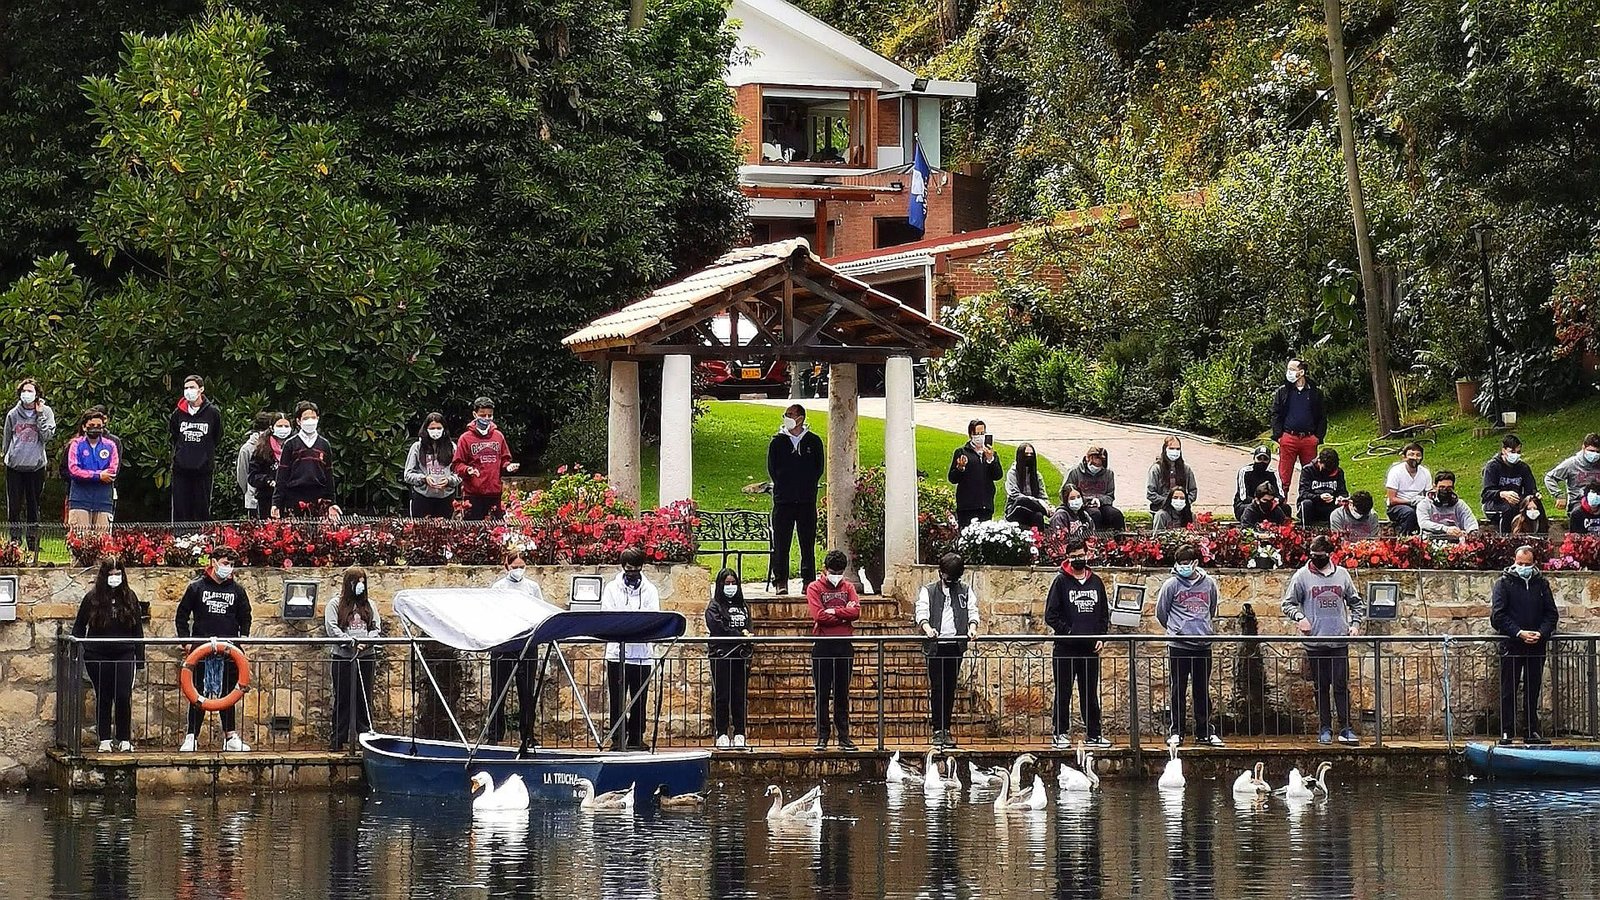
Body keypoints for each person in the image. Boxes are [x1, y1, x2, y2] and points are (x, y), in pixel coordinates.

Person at [1281, 535, 1365, 745]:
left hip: (1338, 640)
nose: (1316, 559)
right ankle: (1324, 728)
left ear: (1329, 555)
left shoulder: (1343, 575)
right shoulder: (1301, 576)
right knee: (1320, 687)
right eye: (1313, 556)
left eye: (1320, 556)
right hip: (1315, 642)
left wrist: (1354, 625)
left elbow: (1356, 603)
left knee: (1340, 685)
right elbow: (1288, 604)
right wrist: (1300, 618)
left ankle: (1345, 728)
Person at [175, 546, 252, 752]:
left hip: (229, 652)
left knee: (229, 692)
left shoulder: (237, 590)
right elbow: (181, 616)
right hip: (201, 651)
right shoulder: (196, 588)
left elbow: (246, 616)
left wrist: (242, 641)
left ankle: (230, 736)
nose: (228, 568)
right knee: (197, 694)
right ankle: (191, 736)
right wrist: (187, 643)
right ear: (214, 562)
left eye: (231, 564)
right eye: (225, 563)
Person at [71, 557, 144, 752]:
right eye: (111, 575)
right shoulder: (92, 599)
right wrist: (76, 650)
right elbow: (79, 626)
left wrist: (140, 657)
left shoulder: (130, 597)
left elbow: (138, 629)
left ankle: (124, 738)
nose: (114, 578)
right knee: (103, 695)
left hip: (124, 652)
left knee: (122, 695)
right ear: (104, 577)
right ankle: (104, 739)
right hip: (97, 654)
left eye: (118, 574)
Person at [1044, 540, 1110, 750]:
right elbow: (1051, 615)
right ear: (1067, 557)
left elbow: (1103, 614)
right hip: (1065, 648)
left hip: (1090, 648)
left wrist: (1101, 636)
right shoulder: (1060, 582)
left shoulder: (1096, 582)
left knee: (1089, 693)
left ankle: (1094, 733)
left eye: (1080, 555)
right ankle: (1060, 732)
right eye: (1073, 556)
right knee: (1063, 692)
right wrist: (1069, 632)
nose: (1077, 559)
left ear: (1087, 554)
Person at [1489, 546, 1559, 745]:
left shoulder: (1541, 584)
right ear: (1514, 561)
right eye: (1520, 564)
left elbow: (1551, 614)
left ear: (1534, 563)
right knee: (1508, 688)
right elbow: (1498, 615)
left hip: (1536, 644)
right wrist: (1518, 633)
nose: (1524, 568)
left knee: (1533, 688)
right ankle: (1507, 731)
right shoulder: (1503, 583)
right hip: (1512, 644)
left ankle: (1531, 729)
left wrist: (1541, 633)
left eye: (1527, 564)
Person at [1155, 544, 1223, 746]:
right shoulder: (1171, 585)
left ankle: (1204, 731)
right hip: (1179, 645)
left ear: (1196, 563)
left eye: (1187, 563)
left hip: (1203, 644)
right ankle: (1177, 731)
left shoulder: (1208, 584)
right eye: (1180, 563)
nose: (1184, 567)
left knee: (1202, 690)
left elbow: (1211, 609)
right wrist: (1176, 630)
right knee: (1178, 689)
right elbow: (1161, 612)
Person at [916, 553, 981, 750]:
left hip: (955, 645)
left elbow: (972, 611)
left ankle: (946, 728)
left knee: (950, 687)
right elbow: (922, 612)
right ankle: (937, 729)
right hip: (936, 646)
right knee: (938, 687)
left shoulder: (965, 590)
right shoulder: (928, 591)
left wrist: (972, 628)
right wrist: (928, 629)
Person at [601, 547, 659, 751]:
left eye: (636, 569)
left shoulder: (650, 590)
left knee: (639, 698)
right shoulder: (611, 589)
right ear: (623, 567)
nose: (632, 573)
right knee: (617, 698)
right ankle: (618, 738)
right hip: (617, 654)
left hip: (642, 655)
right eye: (629, 569)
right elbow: (609, 617)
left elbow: (652, 619)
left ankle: (636, 737)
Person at [487, 550, 543, 747]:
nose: (518, 570)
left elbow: (540, 611)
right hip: (504, 643)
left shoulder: (532, 587)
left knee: (527, 692)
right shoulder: (499, 587)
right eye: (515, 567)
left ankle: (527, 734)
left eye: (522, 567)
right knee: (498, 691)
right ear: (506, 566)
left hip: (527, 643)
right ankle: (494, 733)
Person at [766, 404, 824, 594]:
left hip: (806, 501)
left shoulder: (813, 442)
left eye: (790, 414)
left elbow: (818, 469)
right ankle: (780, 580)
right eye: (786, 414)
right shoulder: (778, 443)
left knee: (807, 543)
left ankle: (808, 581)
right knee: (782, 543)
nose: (787, 417)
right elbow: (773, 469)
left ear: (800, 418)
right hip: (784, 501)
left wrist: (805, 486)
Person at [808, 549, 860, 751]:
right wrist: (843, 614)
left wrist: (835, 611)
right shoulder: (814, 587)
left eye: (839, 571)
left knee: (842, 693)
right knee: (822, 693)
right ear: (825, 569)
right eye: (833, 571)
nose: (836, 576)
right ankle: (823, 735)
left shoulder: (848, 587)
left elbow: (856, 612)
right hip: (823, 644)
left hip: (844, 644)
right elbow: (819, 615)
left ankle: (844, 736)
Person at [326, 566, 381, 750]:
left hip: (366, 657)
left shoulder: (370, 605)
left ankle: (364, 737)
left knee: (364, 697)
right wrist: (350, 642)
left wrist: (365, 642)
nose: (360, 585)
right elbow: (332, 628)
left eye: (363, 581)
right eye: (357, 581)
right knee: (342, 697)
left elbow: (376, 628)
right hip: (343, 657)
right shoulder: (335, 604)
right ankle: (338, 738)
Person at [3, 378, 55, 554]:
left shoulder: (46, 412)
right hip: (15, 466)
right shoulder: (13, 414)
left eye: (30, 391)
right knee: (14, 507)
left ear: (37, 394)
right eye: (24, 391)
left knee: (33, 505)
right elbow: (7, 437)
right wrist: (5, 455)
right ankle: (15, 543)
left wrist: (39, 415)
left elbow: (47, 436)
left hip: (36, 466)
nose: (27, 394)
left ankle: (32, 542)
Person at [706, 568, 753, 750]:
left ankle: (740, 732)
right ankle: (722, 732)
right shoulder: (714, 605)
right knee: (722, 695)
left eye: (734, 583)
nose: (731, 587)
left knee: (739, 695)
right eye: (727, 584)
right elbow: (718, 627)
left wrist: (746, 640)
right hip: (721, 654)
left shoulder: (743, 606)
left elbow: (748, 627)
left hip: (740, 656)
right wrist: (737, 635)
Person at [272, 402, 341, 520]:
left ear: (318, 419)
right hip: (294, 498)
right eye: (306, 418)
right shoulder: (291, 444)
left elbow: (329, 475)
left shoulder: (324, 445)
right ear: (299, 421)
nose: (310, 421)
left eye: (313, 418)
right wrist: (276, 503)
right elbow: (282, 476)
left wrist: (332, 502)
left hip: (318, 499)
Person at [453, 397, 519, 521]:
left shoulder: (498, 436)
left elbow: (505, 459)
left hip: (494, 493)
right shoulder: (465, 438)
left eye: (490, 415)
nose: (487, 418)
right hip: (472, 494)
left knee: (496, 531)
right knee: (472, 533)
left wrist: (508, 467)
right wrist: (467, 470)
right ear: (475, 414)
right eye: (483, 415)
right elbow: (457, 464)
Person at [169, 375, 223, 522]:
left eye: (192, 387)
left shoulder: (213, 413)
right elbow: (174, 436)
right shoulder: (177, 414)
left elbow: (217, 436)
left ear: (201, 389)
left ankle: (201, 540)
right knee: (180, 509)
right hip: (181, 470)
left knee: (201, 508)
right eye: (186, 388)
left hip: (203, 470)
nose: (188, 391)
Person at [1270, 357, 1327, 498]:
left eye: (1292, 369)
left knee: (1311, 475)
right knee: (1284, 475)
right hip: (1288, 437)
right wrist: (1279, 436)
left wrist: (1317, 438)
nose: (1288, 372)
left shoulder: (1315, 392)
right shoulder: (1283, 392)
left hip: (1309, 439)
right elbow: (1275, 414)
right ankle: (1282, 506)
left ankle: (1307, 505)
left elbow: (1322, 416)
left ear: (1301, 372)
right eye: (1288, 369)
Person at [66, 409, 119, 533]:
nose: (95, 428)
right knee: (80, 543)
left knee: (103, 544)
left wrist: (88, 474)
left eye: (99, 426)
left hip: (104, 500)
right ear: (84, 427)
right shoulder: (76, 445)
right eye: (91, 426)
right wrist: (98, 476)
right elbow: (74, 470)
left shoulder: (111, 445)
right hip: (79, 499)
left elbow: (112, 471)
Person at [404, 413, 461, 518]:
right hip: (422, 498)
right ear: (426, 429)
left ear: (444, 429)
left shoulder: (452, 447)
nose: (436, 431)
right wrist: (424, 478)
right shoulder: (417, 447)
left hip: (446, 498)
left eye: (439, 428)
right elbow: (407, 474)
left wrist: (449, 480)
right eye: (432, 428)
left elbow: (459, 473)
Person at [948, 419, 1003, 526]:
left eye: (982, 433)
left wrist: (991, 460)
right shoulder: (962, 452)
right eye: (976, 434)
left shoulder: (991, 453)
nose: (980, 437)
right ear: (971, 435)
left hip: (985, 505)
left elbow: (998, 475)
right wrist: (960, 468)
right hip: (967, 506)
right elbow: (952, 478)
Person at [1481, 434, 1538, 533]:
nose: (1515, 455)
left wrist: (1531, 499)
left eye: (1518, 452)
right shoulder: (1492, 467)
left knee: (1534, 509)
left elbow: (1531, 489)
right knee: (1508, 510)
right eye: (1512, 452)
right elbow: (1486, 493)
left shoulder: (1523, 468)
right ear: (1504, 450)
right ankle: (1506, 538)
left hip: (1516, 502)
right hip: (1494, 503)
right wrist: (1502, 494)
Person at [1064, 445, 1125, 531]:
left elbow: (1110, 496)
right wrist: (1085, 501)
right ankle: (1095, 539)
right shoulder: (1074, 472)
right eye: (1094, 464)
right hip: (1082, 505)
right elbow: (1065, 493)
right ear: (1087, 459)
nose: (1096, 468)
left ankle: (1120, 540)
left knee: (1116, 515)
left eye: (1099, 466)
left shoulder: (1108, 473)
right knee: (1095, 514)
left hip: (1102, 504)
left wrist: (1099, 500)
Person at [1543, 433, 1600, 514]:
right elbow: (1549, 477)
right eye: (1591, 451)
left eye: (1597, 452)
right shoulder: (1571, 464)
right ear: (1583, 447)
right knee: (1578, 514)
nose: (1594, 454)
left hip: (1597, 500)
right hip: (1577, 502)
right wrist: (1559, 495)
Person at [1384, 442, 1432, 535]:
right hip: (1397, 506)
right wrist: (1410, 501)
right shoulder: (1396, 471)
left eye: (1418, 455)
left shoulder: (1425, 472)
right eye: (1411, 454)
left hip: (1419, 504)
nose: (1415, 458)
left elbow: (1429, 493)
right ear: (1404, 457)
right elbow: (1392, 499)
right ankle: (1404, 539)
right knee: (1410, 513)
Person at [247, 412, 289, 520]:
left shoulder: (295, 447)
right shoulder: (261, 449)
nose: (283, 429)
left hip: (289, 500)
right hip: (266, 500)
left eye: (286, 426)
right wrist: (267, 480)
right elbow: (252, 476)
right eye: (280, 426)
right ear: (272, 427)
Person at [1416, 470, 1479, 540]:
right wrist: (1446, 529)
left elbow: (1470, 521)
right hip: (1431, 540)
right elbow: (1424, 523)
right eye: (1442, 487)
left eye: (1449, 488)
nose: (1445, 490)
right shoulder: (1424, 504)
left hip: (1456, 541)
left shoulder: (1459, 504)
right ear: (1434, 487)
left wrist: (1471, 533)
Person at [1004, 443, 1053, 528]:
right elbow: (1015, 495)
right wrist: (1037, 502)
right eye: (1026, 454)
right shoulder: (1012, 473)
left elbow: (1043, 495)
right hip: (1016, 507)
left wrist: (1048, 505)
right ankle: (1045, 510)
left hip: (1033, 509)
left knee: (1038, 516)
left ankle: (1039, 539)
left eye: (1031, 454)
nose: (1029, 456)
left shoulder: (1037, 475)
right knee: (1022, 500)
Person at [234, 412, 272, 519]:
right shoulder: (247, 449)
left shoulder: (276, 445)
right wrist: (249, 491)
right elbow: (242, 476)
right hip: (253, 500)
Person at [1145, 436, 1198, 512]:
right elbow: (1150, 494)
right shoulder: (1156, 469)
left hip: (1182, 511)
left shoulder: (1186, 469)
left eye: (1177, 449)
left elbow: (1193, 491)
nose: (1175, 451)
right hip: (1160, 510)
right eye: (1171, 448)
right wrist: (1169, 501)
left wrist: (1182, 502)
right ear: (1165, 449)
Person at [1297, 448, 1347, 527]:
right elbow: (1303, 493)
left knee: (1344, 505)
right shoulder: (1308, 470)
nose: (1328, 472)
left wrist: (1340, 498)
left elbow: (1343, 492)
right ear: (1319, 461)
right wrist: (1319, 497)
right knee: (1306, 503)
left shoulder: (1339, 472)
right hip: (1314, 504)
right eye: (1326, 469)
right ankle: (1306, 530)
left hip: (1331, 505)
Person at [1232, 446, 1282, 520]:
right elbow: (1243, 497)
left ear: (1269, 461)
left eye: (1265, 459)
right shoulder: (1245, 472)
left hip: (1269, 504)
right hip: (1248, 504)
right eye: (1259, 459)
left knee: (1285, 509)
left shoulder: (1273, 473)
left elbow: (1280, 495)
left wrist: (1272, 503)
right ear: (1254, 458)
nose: (1262, 461)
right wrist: (1258, 503)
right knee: (1245, 510)